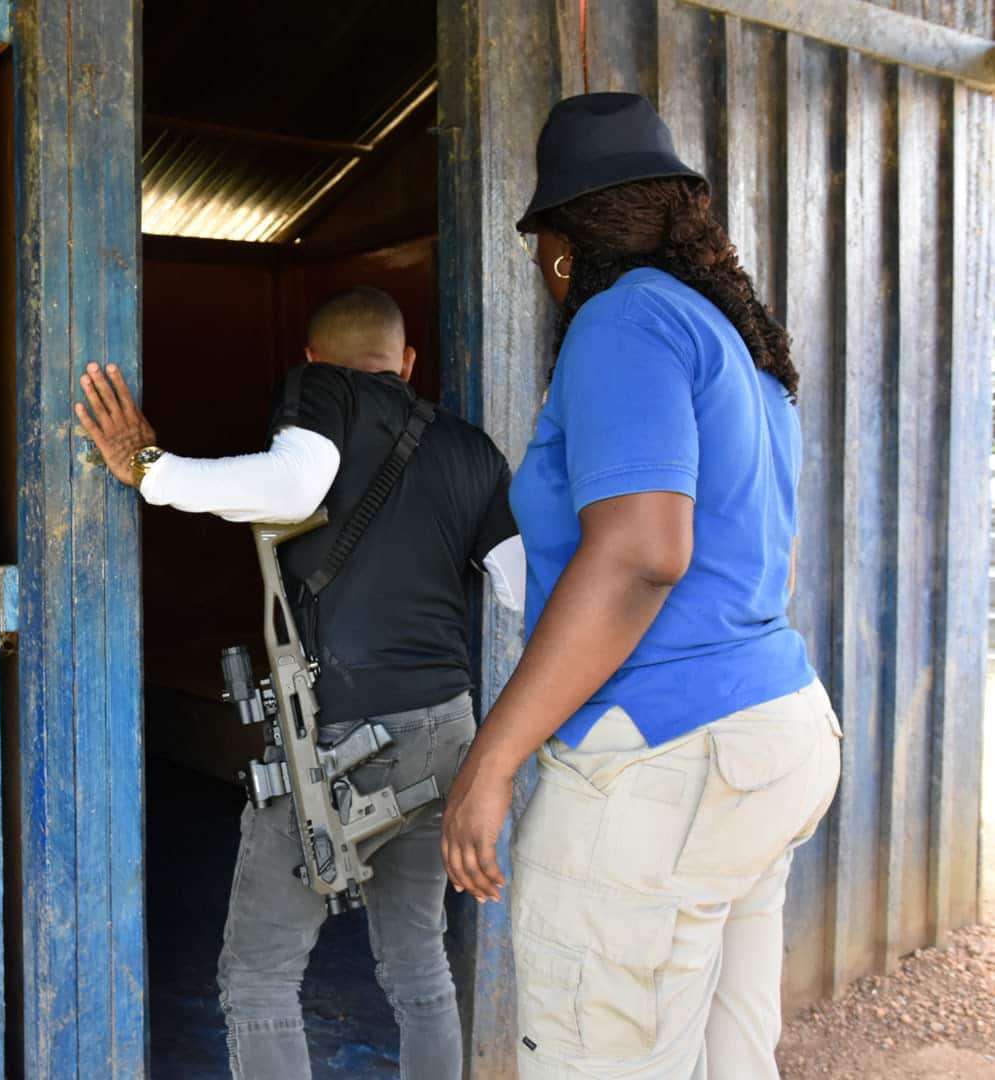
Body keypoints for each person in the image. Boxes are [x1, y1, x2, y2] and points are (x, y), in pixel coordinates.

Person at [438, 92, 841, 1078]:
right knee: (723, 1057)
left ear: (563, 248)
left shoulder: (620, 321)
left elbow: (638, 554)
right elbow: (755, 560)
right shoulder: (739, 351)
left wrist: (491, 759)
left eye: (539, 247)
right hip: (768, 738)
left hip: (658, 761)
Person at [75, 286, 523, 1080]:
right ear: (406, 362)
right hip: (444, 733)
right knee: (419, 970)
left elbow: (292, 487)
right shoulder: (473, 449)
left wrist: (150, 467)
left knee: (257, 981)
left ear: (313, 360)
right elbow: (523, 586)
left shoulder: (320, 390)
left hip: (339, 738)